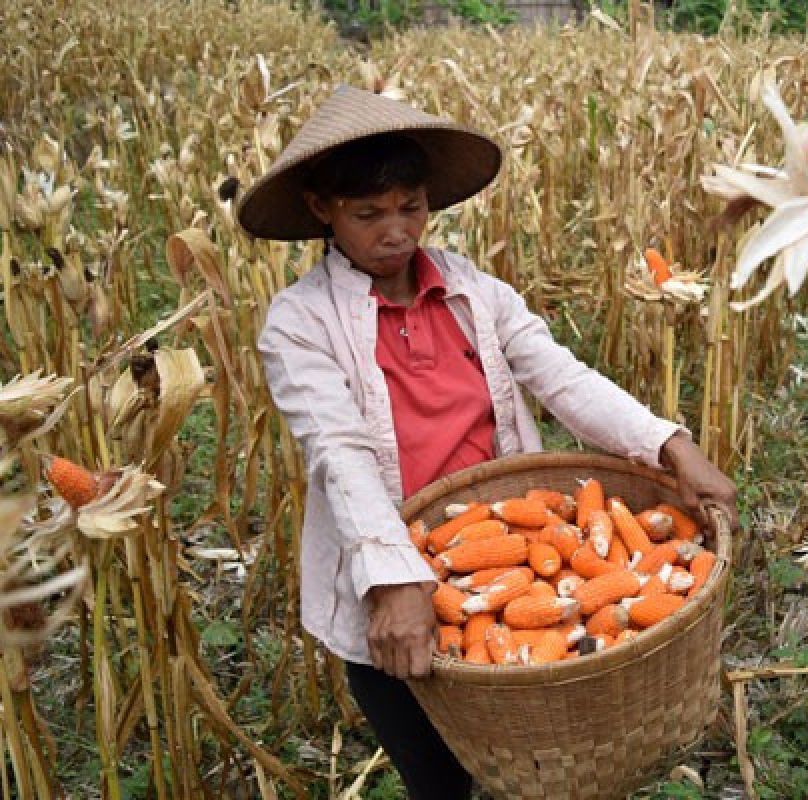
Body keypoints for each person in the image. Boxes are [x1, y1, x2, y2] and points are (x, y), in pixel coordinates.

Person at [240, 85, 737, 799]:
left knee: (539, 764)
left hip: (512, 552)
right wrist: (396, 581)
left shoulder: (475, 290)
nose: (395, 231)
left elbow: (563, 378)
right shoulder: (299, 323)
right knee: (440, 781)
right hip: (397, 573)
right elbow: (337, 449)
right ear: (322, 209)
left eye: (410, 207)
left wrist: (669, 446)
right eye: (367, 214)